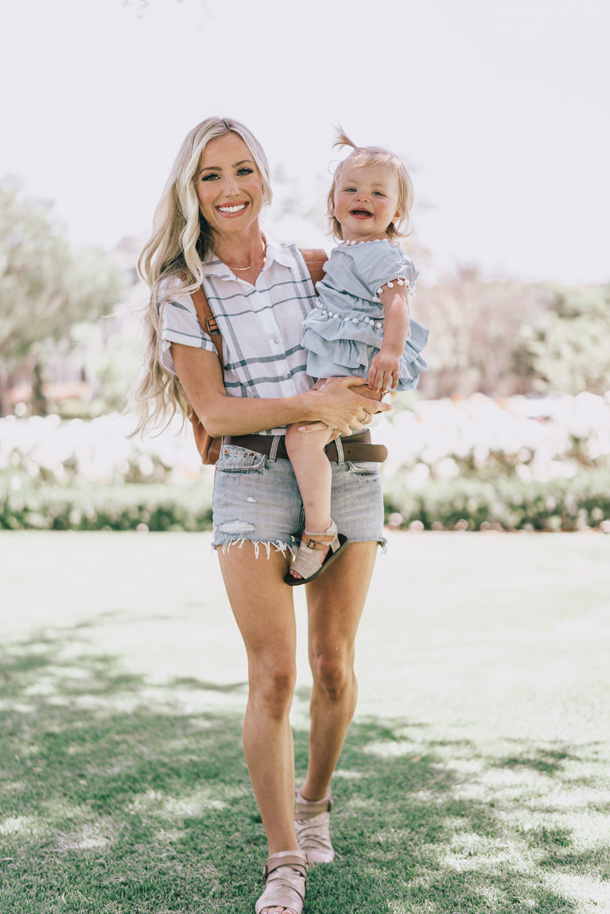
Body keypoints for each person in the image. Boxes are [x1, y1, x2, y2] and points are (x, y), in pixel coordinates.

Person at [131, 116, 392, 914]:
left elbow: (378, 344)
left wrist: (360, 390)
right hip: (249, 478)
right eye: (211, 175)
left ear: (266, 179)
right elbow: (215, 410)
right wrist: (310, 406)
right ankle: (285, 860)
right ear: (191, 191)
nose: (230, 188)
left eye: (242, 169)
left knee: (333, 664)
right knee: (274, 673)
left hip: (345, 469)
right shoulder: (184, 291)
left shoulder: (316, 266)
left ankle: (315, 803)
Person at [285, 132, 428, 584]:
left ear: (397, 212)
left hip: (365, 367)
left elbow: (398, 305)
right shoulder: (350, 252)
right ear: (333, 202)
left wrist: (390, 352)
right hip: (349, 368)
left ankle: (319, 532)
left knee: (301, 439)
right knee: (305, 437)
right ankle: (319, 523)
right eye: (351, 189)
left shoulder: (382, 254)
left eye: (378, 193)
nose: (363, 197)